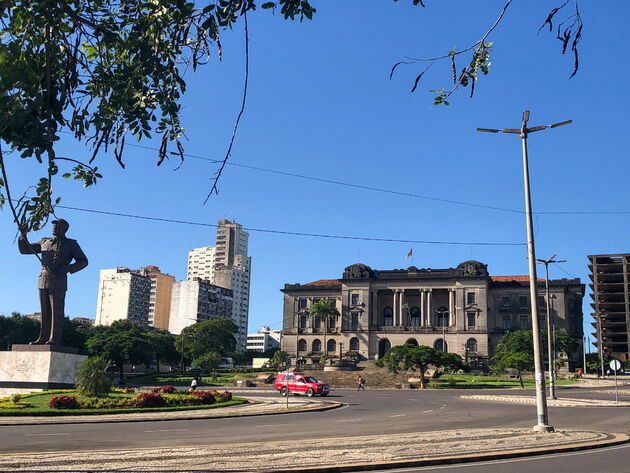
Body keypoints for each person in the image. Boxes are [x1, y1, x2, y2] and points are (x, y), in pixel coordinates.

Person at [18, 218, 88, 345]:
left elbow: (83, 261)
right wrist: (23, 234)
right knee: (45, 312)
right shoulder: (45, 242)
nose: (54, 227)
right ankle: (42, 338)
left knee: (56, 311)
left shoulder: (71, 244)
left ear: (64, 229)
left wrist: (68, 268)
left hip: (59, 280)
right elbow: (25, 250)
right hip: (43, 279)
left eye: (57, 226)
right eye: (54, 225)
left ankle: (54, 339)